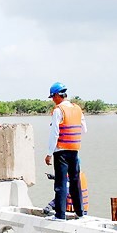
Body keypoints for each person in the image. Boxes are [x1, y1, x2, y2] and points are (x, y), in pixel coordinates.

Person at [45, 82, 87, 221]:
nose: (52, 100)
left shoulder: (58, 110)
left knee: (60, 183)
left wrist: (49, 153)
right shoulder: (77, 109)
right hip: (74, 150)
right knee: (75, 182)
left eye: (53, 97)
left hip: (61, 151)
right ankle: (80, 213)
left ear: (57, 95)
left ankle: (60, 216)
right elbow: (83, 129)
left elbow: (54, 134)